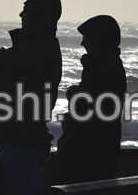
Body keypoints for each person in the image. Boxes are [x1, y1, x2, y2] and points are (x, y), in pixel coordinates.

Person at [0, 0, 62, 195]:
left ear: (36, 15)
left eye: (25, 11)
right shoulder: (42, 47)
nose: (21, 15)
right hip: (27, 141)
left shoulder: (35, 50)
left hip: (21, 143)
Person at [47, 15, 127, 184]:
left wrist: (72, 92)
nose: (83, 43)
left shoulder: (104, 67)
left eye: (86, 38)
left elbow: (84, 105)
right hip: (98, 149)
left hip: (89, 152)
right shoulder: (107, 65)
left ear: (99, 40)